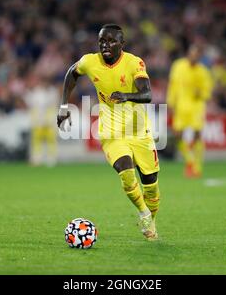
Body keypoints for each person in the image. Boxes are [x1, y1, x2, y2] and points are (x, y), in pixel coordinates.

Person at [57, 24, 160, 240]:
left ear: (122, 45)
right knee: (126, 173)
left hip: (138, 131)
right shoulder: (89, 61)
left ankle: (152, 219)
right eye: (102, 40)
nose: (105, 44)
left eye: (111, 41)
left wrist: (126, 95)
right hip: (111, 131)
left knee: (150, 185)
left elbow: (147, 94)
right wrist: (64, 106)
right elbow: (72, 73)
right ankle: (143, 213)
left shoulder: (134, 63)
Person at [167, 45, 213, 178]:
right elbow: (173, 85)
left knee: (197, 134)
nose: (193, 57)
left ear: (199, 57)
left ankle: (197, 167)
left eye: (196, 55)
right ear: (188, 54)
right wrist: (171, 102)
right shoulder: (178, 66)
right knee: (177, 135)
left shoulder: (203, 72)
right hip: (181, 107)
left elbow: (207, 91)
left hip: (196, 108)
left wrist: (202, 93)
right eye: (191, 54)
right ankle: (191, 161)